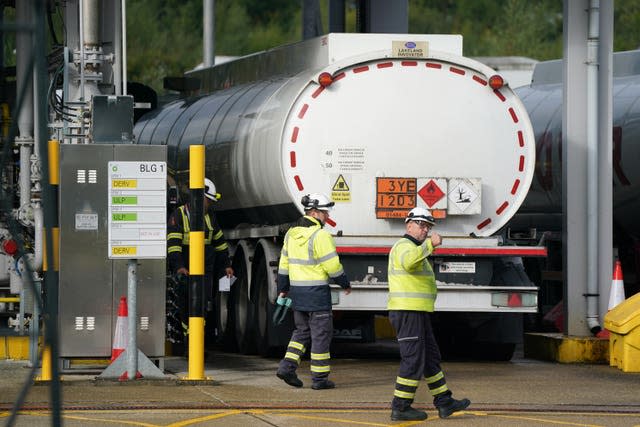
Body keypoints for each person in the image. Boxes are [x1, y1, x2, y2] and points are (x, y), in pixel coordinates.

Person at [387, 207, 470, 421]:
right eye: (421, 225)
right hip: (407, 312)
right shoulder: (404, 246)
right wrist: (430, 244)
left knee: (430, 359)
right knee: (413, 359)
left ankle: (444, 402)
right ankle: (400, 407)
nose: (425, 230)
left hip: (418, 312)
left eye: (428, 227)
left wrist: (426, 246)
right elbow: (407, 262)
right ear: (409, 225)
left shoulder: (417, 248)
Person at [276, 193, 351, 390]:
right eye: (325, 212)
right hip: (317, 294)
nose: (327, 217)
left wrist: (283, 289)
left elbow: (284, 264)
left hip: (297, 294)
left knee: (301, 332)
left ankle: (287, 367)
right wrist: (344, 283)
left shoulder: (291, 234)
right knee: (321, 336)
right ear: (316, 212)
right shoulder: (321, 235)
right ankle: (319, 379)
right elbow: (332, 266)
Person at [166, 178, 234, 352]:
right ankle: (188, 340)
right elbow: (173, 246)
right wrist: (179, 267)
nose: (209, 204)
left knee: (204, 304)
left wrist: (226, 264)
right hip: (185, 269)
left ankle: (199, 341)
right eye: (208, 200)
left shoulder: (210, 218)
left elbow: (220, 244)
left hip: (205, 269)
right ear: (198, 197)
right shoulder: (178, 216)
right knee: (185, 304)